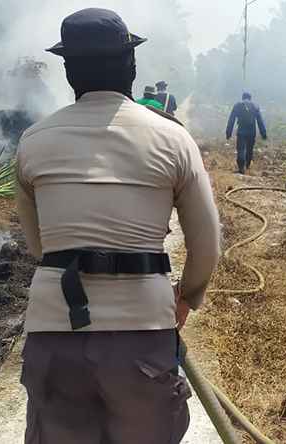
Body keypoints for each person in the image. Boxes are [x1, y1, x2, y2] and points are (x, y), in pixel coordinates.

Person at [16, 8, 221, 444]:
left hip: (55, 332)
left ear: (69, 70)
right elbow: (206, 245)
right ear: (131, 65)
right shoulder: (172, 138)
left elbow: (39, 247)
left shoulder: (33, 141)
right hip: (142, 331)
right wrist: (186, 298)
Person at [225, 92, 268, 174]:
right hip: (252, 132)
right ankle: (248, 164)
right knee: (249, 149)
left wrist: (228, 133)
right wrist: (263, 133)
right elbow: (260, 121)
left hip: (241, 132)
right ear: (250, 98)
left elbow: (231, 120)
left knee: (240, 149)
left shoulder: (237, 106)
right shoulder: (255, 106)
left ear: (242, 98)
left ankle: (241, 167)